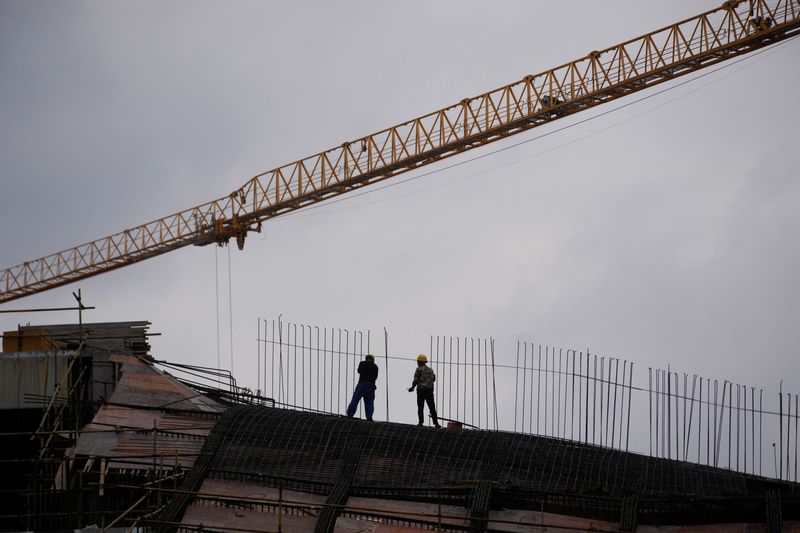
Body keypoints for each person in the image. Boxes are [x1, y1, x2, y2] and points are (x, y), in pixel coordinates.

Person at [408, 354, 440, 427]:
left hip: (421, 391)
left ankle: (420, 422)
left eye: (418, 361)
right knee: (432, 407)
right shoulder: (430, 370)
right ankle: (436, 423)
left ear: (419, 362)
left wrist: (412, 388)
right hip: (429, 391)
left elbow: (416, 380)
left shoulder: (419, 369)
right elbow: (434, 379)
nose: (417, 362)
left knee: (420, 407)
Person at [346, 354, 378, 421]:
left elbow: (359, 371)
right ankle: (369, 417)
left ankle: (350, 414)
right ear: (373, 360)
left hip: (362, 384)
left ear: (366, 358)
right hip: (370, 386)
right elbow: (375, 377)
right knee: (369, 402)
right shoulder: (375, 367)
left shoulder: (362, 363)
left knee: (355, 399)